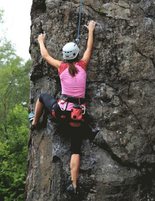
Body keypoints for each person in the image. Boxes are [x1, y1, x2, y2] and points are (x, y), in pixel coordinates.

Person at [29, 20, 96, 199]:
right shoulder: (83, 65)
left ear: (65, 57)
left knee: (43, 96)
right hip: (76, 116)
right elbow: (89, 48)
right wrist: (90, 30)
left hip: (60, 112)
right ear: (76, 55)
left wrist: (41, 41)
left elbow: (45, 56)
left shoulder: (61, 66)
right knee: (75, 149)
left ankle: (35, 122)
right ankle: (73, 185)